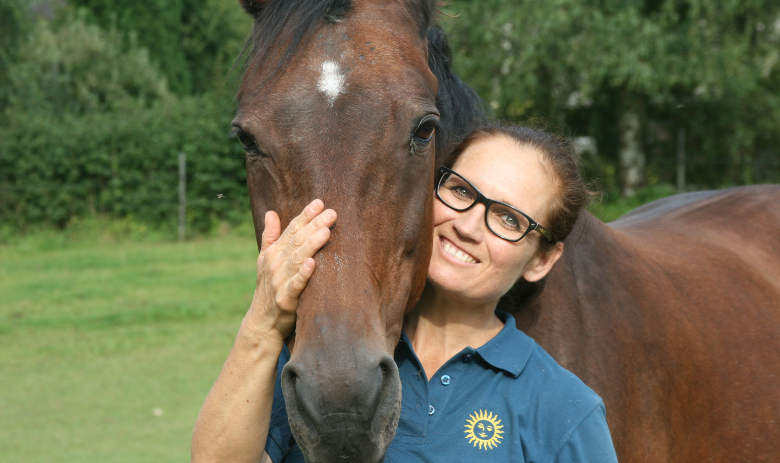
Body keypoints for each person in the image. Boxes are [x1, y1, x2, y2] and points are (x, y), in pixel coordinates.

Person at [192, 124, 619, 463]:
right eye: (461, 191)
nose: (467, 227)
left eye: (509, 219)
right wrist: (263, 322)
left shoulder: (567, 410)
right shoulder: (332, 354)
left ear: (542, 260)